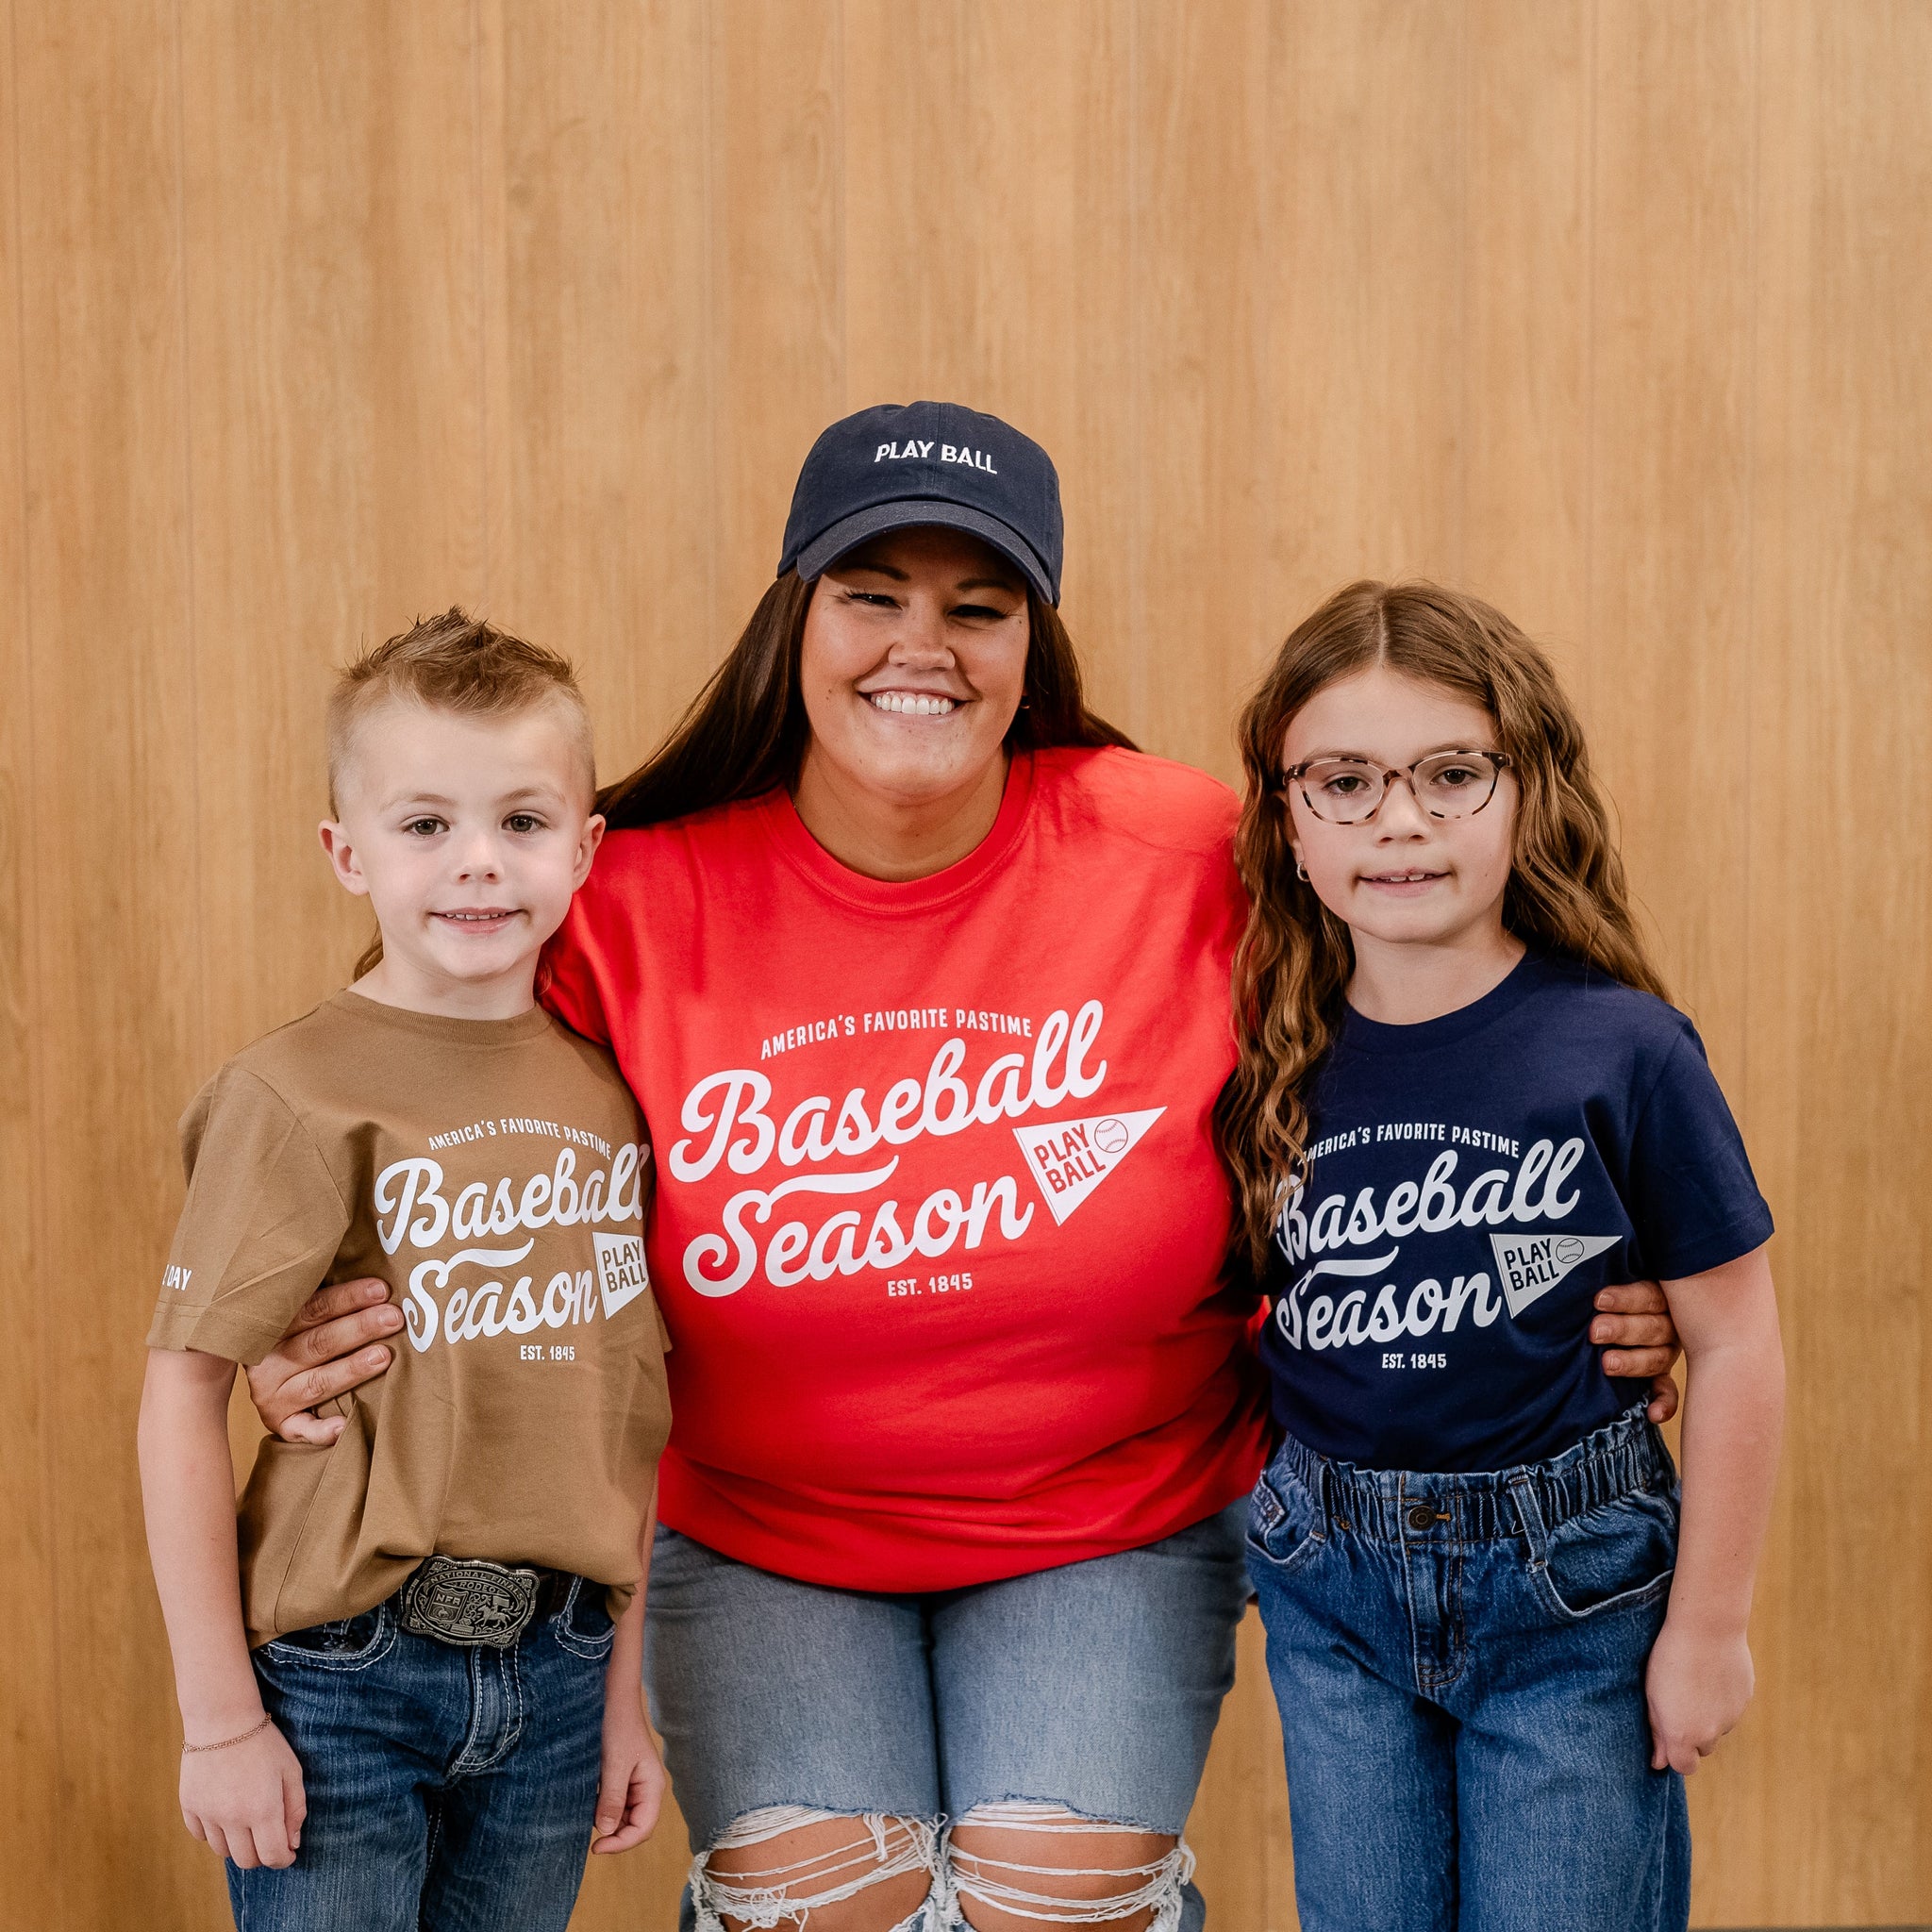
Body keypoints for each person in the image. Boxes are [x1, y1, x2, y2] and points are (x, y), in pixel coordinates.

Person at [239, 407, 1684, 1932]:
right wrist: (309, 1318)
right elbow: (431, 1115)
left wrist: (1569, 1258)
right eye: (872, 594)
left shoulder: (1187, 849)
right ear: (796, 617)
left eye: (977, 607)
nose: (919, 645)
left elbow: (1421, 1040)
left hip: (1110, 1515)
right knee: (828, 1904)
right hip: (759, 1527)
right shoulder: (625, 896)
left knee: (1046, 1901)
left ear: (1030, 642)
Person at [1220, 581, 1785, 1932]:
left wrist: (1709, 1630)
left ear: (1527, 788)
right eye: (1345, 782)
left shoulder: (1624, 1049)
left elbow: (1737, 1339)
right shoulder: (1258, 1052)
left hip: (1571, 1595)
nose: (1400, 820)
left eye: (1451, 774)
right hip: (1331, 1589)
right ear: (1288, 821)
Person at [138, 616, 673, 1932]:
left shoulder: (613, 1095)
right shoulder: (294, 1093)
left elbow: (624, 1421)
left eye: (523, 821)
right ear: (347, 853)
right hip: (345, 1679)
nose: (478, 860)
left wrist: (623, 1704)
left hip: (560, 1675)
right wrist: (218, 1721)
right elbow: (181, 1395)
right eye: (426, 824)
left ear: (585, 847)